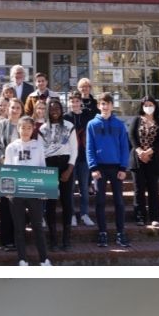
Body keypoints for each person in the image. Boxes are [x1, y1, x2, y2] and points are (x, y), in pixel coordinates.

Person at [4, 115, 51, 266]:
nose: (25, 131)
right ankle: (22, 259)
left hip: (34, 192)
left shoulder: (38, 146)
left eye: (28, 128)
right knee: (19, 227)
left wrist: (45, 189)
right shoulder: (11, 147)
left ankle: (44, 259)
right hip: (16, 193)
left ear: (33, 129)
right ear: (18, 129)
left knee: (37, 226)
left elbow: (42, 167)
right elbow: (8, 169)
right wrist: (8, 190)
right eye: (22, 127)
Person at [87, 93, 131, 248]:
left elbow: (125, 147)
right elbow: (89, 148)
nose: (105, 107)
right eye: (102, 104)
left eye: (108, 103)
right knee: (100, 202)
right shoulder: (92, 124)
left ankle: (120, 233)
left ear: (112, 105)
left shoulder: (119, 125)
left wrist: (123, 167)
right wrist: (93, 167)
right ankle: (102, 233)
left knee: (119, 201)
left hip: (116, 168)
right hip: (99, 169)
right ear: (99, 106)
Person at [39, 98, 77, 250]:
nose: (55, 111)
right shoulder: (42, 129)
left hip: (66, 164)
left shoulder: (69, 126)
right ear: (48, 110)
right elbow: (41, 153)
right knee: (50, 204)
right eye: (51, 108)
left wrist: (69, 169)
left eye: (57, 108)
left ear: (62, 110)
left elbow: (75, 149)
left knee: (67, 202)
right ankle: (53, 239)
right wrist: (46, 172)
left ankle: (66, 239)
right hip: (49, 166)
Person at [0, 90, 22, 250]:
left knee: (19, 206)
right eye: (12, 107)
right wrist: (5, 162)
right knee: (5, 205)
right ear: (7, 108)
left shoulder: (25, 124)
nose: (15, 110)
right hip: (5, 171)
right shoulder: (1, 124)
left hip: (22, 172)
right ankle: (7, 240)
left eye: (17, 108)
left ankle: (19, 239)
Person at [130, 96, 159, 227]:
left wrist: (148, 152)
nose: (148, 107)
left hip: (153, 160)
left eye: (151, 104)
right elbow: (132, 136)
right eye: (145, 104)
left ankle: (155, 217)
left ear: (155, 106)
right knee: (138, 189)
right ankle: (140, 217)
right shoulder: (136, 120)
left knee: (153, 189)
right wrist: (140, 151)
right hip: (137, 159)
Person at [64, 90, 98, 227]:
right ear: (69, 102)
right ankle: (71, 214)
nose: (75, 104)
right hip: (71, 158)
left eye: (77, 101)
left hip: (84, 156)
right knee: (71, 188)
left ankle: (84, 214)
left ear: (80, 102)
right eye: (72, 101)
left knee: (84, 187)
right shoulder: (65, 117)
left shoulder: (88, 116)